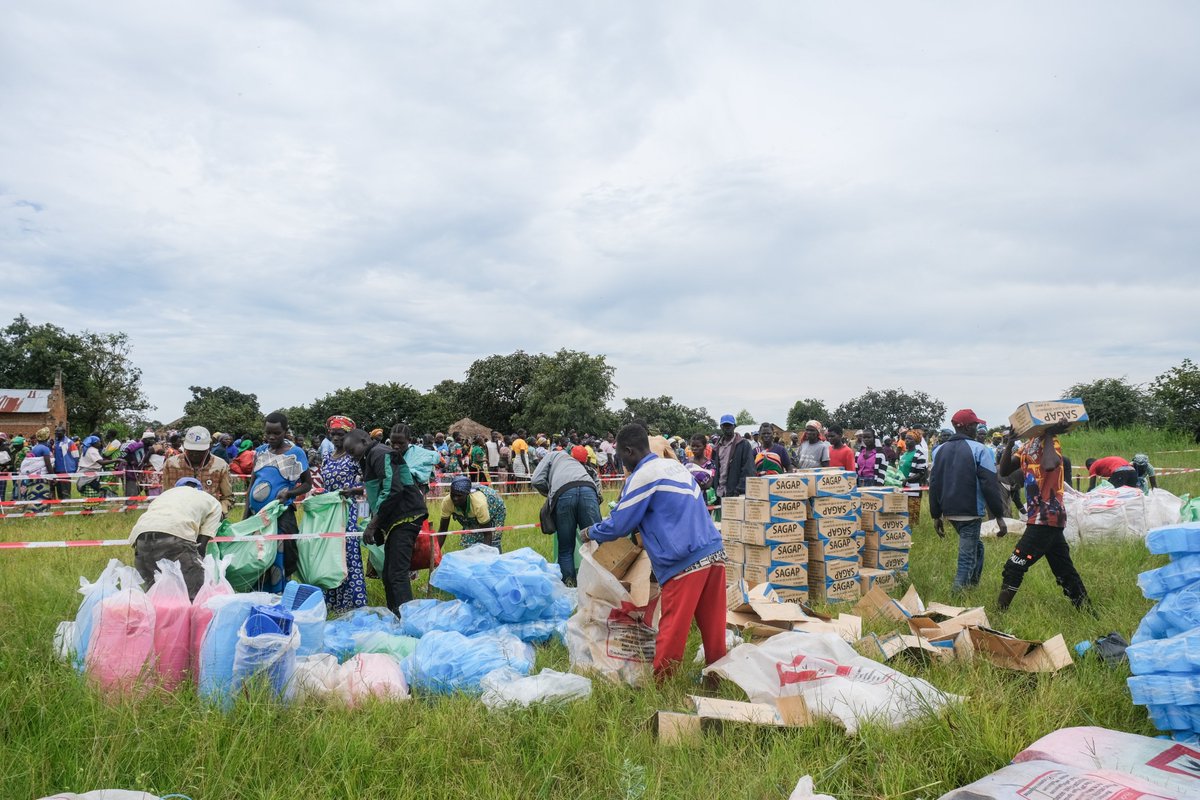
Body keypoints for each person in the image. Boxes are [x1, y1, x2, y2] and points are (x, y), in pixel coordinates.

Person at [580, 423, 727, 680]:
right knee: (714, 628)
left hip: (684, 560)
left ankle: (662, 687)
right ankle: (719, 677)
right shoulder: (675, 467)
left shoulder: (644, 474)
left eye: (620, 457)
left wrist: (590, 532)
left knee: (673, 627)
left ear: (629, 451)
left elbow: (619, 524)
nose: (620, 463)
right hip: (714, 552)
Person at [997, 421, 1090, 612]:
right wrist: (1010, 442)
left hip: (1047, 516)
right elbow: (1004, 471)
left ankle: (998, 613)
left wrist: (1049, 434)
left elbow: (1050, 464)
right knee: (1064, 569)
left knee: (1014, 566)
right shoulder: (1027, 445)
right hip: (1040, 516)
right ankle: (1087, 610)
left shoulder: (1051, 441)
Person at [349, 424, 429, 615]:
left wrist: (372, 525)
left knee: (397, 573)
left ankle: (407, 620)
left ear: (364, 441)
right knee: (389, 573)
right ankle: (396, 616)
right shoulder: (371, 456)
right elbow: (380, 487)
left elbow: (392, 489)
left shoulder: (380, 453)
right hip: (396, 519)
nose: (351, 456)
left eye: (352, 450)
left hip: (406, 516)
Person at [928, 410, 1008, 593]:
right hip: (970, 511)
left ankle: (973, 586)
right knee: (967, 557)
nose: (978, 428)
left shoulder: (938, 450)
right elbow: (990, 485)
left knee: (976, 547)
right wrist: (999, 516)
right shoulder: (980, 449)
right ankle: (957, 594)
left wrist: (936, 515)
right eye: (975, 425)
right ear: (965, 426)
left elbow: (934, 484)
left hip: (949, 511)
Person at [244, 411, 312, 592]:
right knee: (257, 555)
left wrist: (289, 494)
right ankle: (257, 595)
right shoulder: (260, 452)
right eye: (268, 433)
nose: (271, 437)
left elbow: (307, 484)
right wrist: (245, 518)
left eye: (277, 433)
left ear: (285, 431)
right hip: (256, 516)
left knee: (279, 555)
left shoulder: (295, 454)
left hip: (280, 516)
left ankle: (278, 595)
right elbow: (251, 487)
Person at [129, 478, 222, 600]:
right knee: (193, 593)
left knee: (155, 593)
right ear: (200, 489)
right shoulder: (211, 501)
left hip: (141, 538)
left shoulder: (164, 496)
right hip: (176, 534)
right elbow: (201, 546)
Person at [531, 442, 602, 586]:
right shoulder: (587, 468)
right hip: (588, 490)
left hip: (563, 493)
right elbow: (599, 493)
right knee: (597, 544)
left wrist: (553, 492)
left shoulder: (552, 455)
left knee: (565, 548)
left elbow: (536, 479)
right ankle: (601, 585)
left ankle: (570, 586)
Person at [318, 415, 368, 613]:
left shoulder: (354, 457)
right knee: (330, 554)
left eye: (341, 434)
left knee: (347, 553)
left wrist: (352, 491)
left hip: (347, 510)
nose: (336, 438)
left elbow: (368, 484)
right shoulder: (327, 458)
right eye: (333, 434)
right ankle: (332, 600)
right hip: (329, 512)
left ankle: (352, 601)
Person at [160, 426, 233, 513]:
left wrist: (219, 514)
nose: (195, 454)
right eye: (191, 450)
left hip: (209, 517)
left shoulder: (220, 466)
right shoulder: (171, 464)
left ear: (209, 447)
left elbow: (228, 498)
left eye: (199, 451)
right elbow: (165, 495)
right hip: (177, 517)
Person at [438, 475, 507, 552]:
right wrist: (435, 554)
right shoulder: (447, 502)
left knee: (493, 542)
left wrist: (484, 558)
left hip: (494, 509)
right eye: (453, 494)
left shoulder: (478, 504)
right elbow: (442, 530)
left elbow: (487, 534)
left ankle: (496, 561)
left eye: (459, 496)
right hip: (472, 515)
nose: (455, 498)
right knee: (469, 542)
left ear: (467, 494)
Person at [712, 414, 757, 507]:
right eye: (725, 426)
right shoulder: (717, 446)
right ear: (721, 427)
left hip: (736, 494)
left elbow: (749, 470)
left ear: (734, 427)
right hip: (720, 493)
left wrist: (739, 489)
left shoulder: (743, 444)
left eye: (729, 425)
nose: (727, 428)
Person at [18, 428, 54, 509]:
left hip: (33, 476)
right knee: (40, 494)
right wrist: (53, 477)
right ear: (47, 437)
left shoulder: (36, 447)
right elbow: (48, 464)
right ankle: (39, 509)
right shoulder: (45, 449)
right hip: (39, 477)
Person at [898, 429, 929, 524]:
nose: (907, 440)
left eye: (910, 439)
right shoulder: (904, 455)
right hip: (902, 488)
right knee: (901, 516)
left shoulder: (919, 454)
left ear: (916, 441)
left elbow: (921, 473)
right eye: (906, 438)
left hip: (913, 490)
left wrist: (908, 479)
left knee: (912, 516)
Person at [51, 426, 79, 500]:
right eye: (56, 432)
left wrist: (75, 468)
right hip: (56, 469)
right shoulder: (55, 442)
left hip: (66, 469)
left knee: (65, 487)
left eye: (59, 432)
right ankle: (60, 502)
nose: (57, 434)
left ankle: (66, 502)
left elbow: (76, 456)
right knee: (59, 487)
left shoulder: (70, 442)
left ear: (64, 432)